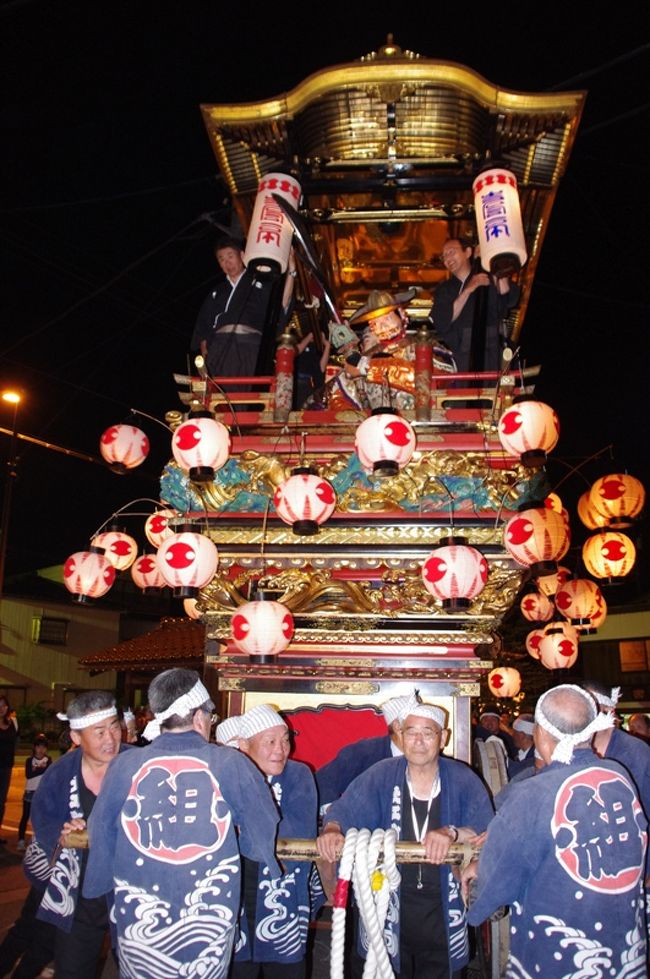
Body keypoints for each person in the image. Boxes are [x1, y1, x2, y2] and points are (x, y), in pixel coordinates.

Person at [83, 669, 282, 979]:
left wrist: (100, 884)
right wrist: (248, 845)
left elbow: (99, 829)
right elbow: (262, 829)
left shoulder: (125, 765)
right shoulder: (228, 762)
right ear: (200, 717)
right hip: (208, 910)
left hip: (139, 909)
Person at [465, 684, 648, 976]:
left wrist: (474, 870)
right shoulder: (618, 774)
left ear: (540, 734)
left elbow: (490, 891)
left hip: (557, 963)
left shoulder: (531, 793)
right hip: (626, 959)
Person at [317, 698, 493, 979]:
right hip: (388, 907)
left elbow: (485, 831)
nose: (419, 741)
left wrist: (452, 833)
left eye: (428, 733)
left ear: (443, 738)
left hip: (442, 910)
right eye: (411, 732)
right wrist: (332, 829)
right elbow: (345, 810)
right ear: (400, 736)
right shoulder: (381, 774)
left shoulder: (463, 779)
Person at [23, 691, 125, 979]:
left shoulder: (138, 765)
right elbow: (44, 824)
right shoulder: (59, 774)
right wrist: (62, 834)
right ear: (77, 737)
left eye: (115, 726)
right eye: (100, 731)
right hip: (77, 894)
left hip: (130, 894)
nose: (111, 738)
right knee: (71, 970)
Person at [231, 703, 320, 977]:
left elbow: (297, 832)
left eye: (285, 740)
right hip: (236, 897)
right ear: (244, 745)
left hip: (283, 898)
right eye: (270, 742)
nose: (281, 750)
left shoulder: (299, 775)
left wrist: (242, 830)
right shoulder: (228, 774)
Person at [190, 234, 296, 382]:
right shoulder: (216, 292)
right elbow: (204, 331)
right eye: (221, 259)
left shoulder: (259, 280)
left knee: (245, 396)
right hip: (219, 348)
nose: (227, 263)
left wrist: (292, 270)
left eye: (230, 256)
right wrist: (206, 359)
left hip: (250, 346)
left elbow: (283, 303)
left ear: (242, 255)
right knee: (220, 397)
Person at [430, 237, 520, 374]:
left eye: (451, 252)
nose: (447, 258)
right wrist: (468, 289)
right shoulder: (444, 289)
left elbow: (506, 295)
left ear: (468, 252)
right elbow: (442, 320)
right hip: (462, 355)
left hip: (492, 352)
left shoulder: (487, 277)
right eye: (444, 256)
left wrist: (494, 262)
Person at [315, 693, 416, 814]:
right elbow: (322, 784)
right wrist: (336, 815)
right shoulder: (365, 752)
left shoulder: (431, 754)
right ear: (398, 727)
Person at [17, 733, 52, 852]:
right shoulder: (29, 760)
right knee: (25, 816)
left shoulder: (48, 760)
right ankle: (21, 840)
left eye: (43, 747)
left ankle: (38, 840)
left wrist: (38, 769)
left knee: (40, 818)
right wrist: (42, 769)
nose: (41, 749)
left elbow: (49, 773)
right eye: (38, 746)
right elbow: (29, 774)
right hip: (29, 792)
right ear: (34, 747)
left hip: (42, 792)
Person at [0, 693, 19, 843]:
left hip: (6, 767)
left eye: (4, 705)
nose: (1, 708)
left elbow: (15, 743)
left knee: (1, 801)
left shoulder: (13, 722)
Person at [507, 713, 535, 778]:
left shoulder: (532, 761)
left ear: (521, 735)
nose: (512, 735)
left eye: (514, 732)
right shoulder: (519, 754)